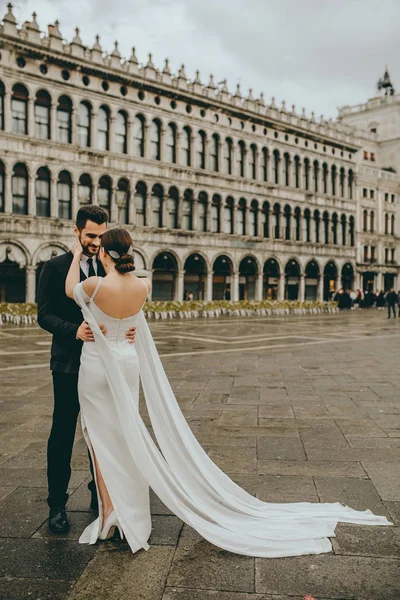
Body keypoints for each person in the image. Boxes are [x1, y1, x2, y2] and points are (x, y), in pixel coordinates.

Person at [65, 227, 391, 558]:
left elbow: (69, 289)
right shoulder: (143, 286)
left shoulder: (93, 286)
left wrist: (78, 253)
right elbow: (132, 317)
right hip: (127, 361)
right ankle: (125, 514)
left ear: (104, 253)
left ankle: (109, 515)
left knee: (100, 439)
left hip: (98, 367)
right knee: (126, 436)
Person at [37, 206, 136, 535]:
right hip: (68, 363)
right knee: (63, 433)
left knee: (104, 432)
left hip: (104, 363)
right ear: (77, 232)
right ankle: (57, 506)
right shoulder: (54, 266)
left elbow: (127, 302)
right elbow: (44, 315)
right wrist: (73, 330)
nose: (96, 241)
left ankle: (100, 496)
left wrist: (130, 328)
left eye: (101, 235)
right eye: (91, 235)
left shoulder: (111, 267)